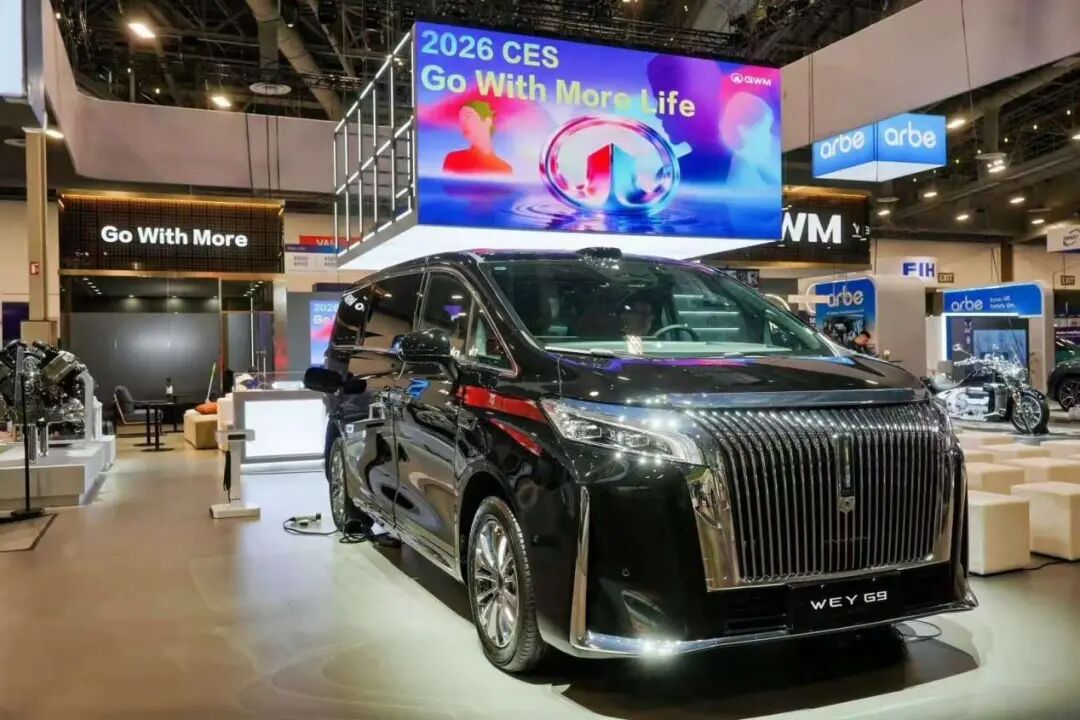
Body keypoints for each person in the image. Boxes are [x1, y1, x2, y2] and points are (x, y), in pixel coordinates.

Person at [442, 101, 513, 175]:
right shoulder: (454, 159)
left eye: (468, 117)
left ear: (488, 121)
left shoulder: (505, 168)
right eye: (461, 120)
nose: (463, 123)